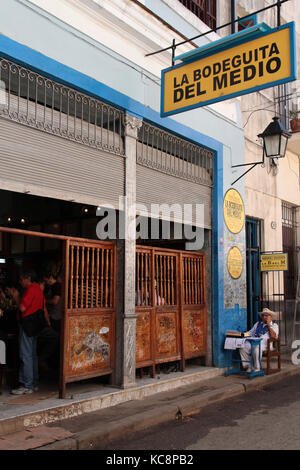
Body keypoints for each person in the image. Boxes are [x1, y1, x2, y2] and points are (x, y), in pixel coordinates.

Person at [10, 269, 47, 395]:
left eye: (21, 279)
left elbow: (22, 307)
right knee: (32, 354)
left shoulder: (30, 290)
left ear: (28, 279)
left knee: (25, 355)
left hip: (27, 325)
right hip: (35, 325)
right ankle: (34, 382)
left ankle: (27, 384)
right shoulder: (38, 289)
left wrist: (16, 298)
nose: (20, 282)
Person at [240, 308, 279, 372]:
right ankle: (248, 366)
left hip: (265, 345)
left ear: (270, 317)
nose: (264, 317)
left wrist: (269, 325)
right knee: (242, 347)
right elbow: (250, 332)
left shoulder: (274, 325)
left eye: (266, 315)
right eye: (263, 315)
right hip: (253, 342)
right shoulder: (257, 324)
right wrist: (241, 335)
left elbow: (273, 336)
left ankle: (257, 368)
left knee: (256, 348)